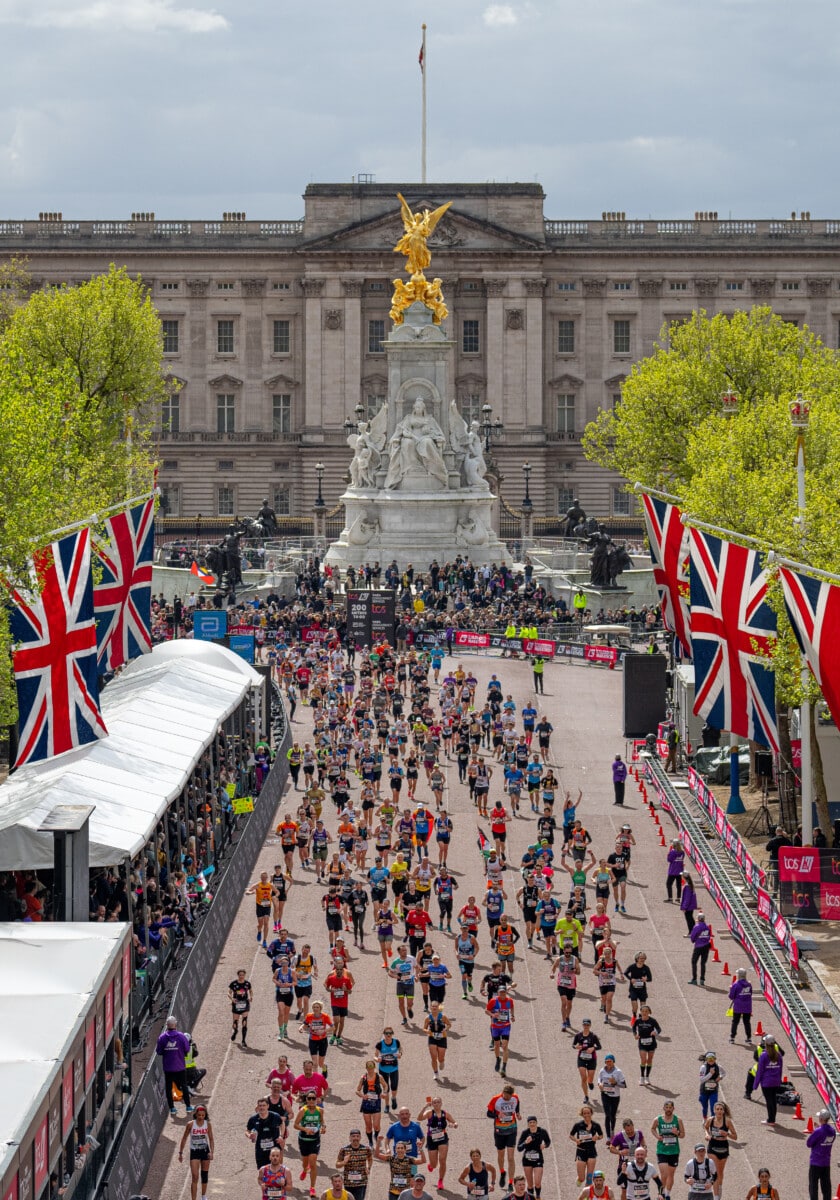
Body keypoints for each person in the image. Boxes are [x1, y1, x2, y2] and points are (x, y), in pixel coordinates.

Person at [156, 1015, 193, 1116]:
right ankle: (188, 1106)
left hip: (168, 1068)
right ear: (175, 1024)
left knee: (168, 1088)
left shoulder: (162, 1038)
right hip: (180, 1066)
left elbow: (159, 1051)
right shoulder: (181, 1036)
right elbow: (187, 1049)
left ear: (167, 1025)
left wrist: (167, 1051)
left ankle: (172, 1108)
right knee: (184, 1086)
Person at [418, 1096, 458, 1191]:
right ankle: (431, 1165)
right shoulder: (429, 1113)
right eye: (434, 1102)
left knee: (442, 1160)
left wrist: (454, 1124)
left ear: (441, 1103)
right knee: (434, 1165)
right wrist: (424, 1107)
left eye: (438, 1102)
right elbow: (419, 1118)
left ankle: (440, 1181)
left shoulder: (445, 1114)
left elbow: (454, 1122)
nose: (436, 1103)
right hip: (432, 1139)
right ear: (432, 1104)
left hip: (443, 1139)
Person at [486, 1084, 520, 1189]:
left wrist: (518, 1114)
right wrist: (497, 1115)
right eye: (505, 1096)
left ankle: (510, 1182)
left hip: (512, 1130)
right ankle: (502, 1172)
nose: (507, 1098)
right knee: (501, 1155)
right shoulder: (495, 1099)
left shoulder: (515, 1098)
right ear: (503, 1093)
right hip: (499, 1131)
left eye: (509, 1097)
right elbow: (488, 1113)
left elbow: (517, 1106)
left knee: (510, 1158)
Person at [178, 1104, 214, 1200]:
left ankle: (203, 1196)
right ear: (196, 1114)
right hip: (194, 1152)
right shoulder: (190, 1124)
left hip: (205, 1151)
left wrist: (212, 1152)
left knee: (204, 1175)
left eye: (203, 1115)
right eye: (199, 1115)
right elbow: (184, 1138)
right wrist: (180, 1153)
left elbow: (211, 1139)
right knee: (195, 1176)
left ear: (205, 1115)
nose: (201, 1117)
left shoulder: (208, 1124)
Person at [294, 1091, 326, 1197]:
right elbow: (295, 1125)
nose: (312, 1100)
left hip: (315, 1140)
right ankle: (304, 1169)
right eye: (309, 1098)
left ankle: (312, 1188)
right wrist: (305, 1129)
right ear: (306, 1100)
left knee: (313, 1163)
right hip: (304, 1139)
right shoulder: (303, 1111)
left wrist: (323, 1127)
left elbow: (322, 1122)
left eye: (313, 1098)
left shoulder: (320, 1110)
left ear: (316, 1099)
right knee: (305, 1163)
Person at [650, 1099, 684, 1200]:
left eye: (670, 1107)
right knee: (663, 1174)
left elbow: (683, 1135)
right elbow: (652, 1128)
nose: (668, 1109)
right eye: (667, 1107)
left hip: (674, 1150)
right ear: (663, 1108)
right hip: (662, 1150)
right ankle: (661, 1194)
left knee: (670, 1175)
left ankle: (668, 1194)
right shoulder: (657, 1119)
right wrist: (657, 1136)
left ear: (673, 1108)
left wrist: (677, 1133)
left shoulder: (678, 1120)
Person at [703, 1100, 736, 1199]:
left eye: (721, 1109)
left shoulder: (727, 1121)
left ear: (724, 1111)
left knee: (720, 1173)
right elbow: (705, 1127)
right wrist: (707, 1134)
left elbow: (735, 1136)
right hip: (712, 1146)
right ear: (714, 1110)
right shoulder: (710, 1120)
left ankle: (719, 1190)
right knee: (715, 1171)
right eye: (717, 1109)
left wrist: (727, 1134)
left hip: (723, 1148)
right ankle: (716, 1196)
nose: (719, 1111)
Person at [752, 1034, 785, 1125]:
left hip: (766, 1082)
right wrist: (779, 1081)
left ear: (765, 1043)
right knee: (773, 1100)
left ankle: (771, 1120)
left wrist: (755, 1085)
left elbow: (760, 1071)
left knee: (769, 1101)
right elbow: (780, 1069)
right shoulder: (778, 1055)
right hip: (775, 1082)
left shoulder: (764, 1055)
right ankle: (772, 1119)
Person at [568, 1103, 603, 1187]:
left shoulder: (596, 1125)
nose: (587, 1115)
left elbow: (601, 1135)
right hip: (581, 1151)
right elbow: (571, 1135)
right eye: (584, 1113)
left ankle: (586, 1195)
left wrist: (597, 1138)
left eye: (588, 1113)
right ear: (582, 1115)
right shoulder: (578, 1125)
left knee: (589, 1178)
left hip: (591, 1151)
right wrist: (576, 1140)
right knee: (582, 1178)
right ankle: (579, 1179)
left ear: (591, 1113)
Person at [516, 1115, 551, 1198]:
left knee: (538, 1182)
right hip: (527, 1160)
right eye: (530, 1122)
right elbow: (519, 1148)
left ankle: (538, 1196)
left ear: (536, 1123)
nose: (532, 1124)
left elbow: (548, 1141)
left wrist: (544, 1145)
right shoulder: (525, 1133)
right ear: (528, 1124)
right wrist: (525, 1142)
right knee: (530, 1184)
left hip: (538, 1159)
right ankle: (531, 1197)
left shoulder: (542, 1131)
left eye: (534, 1122)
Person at [247, 1096, 285, 1169]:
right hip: (261, 1150)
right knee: (262, 1171)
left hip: (274, 1149)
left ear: (268, 1106)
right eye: (260, 1106)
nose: (262, 1107)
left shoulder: (275, 1116)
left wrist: (281, 1136)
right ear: (257, 1107)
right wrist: (249, 1135)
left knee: (276, 1170)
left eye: (264, 1105)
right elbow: (247, 1130)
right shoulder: (253, 1119)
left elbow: (282, 1123)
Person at [356, 1061, 388, 1145]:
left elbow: (385, 1085)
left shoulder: (379, 1077)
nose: (370, 1070)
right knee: (368, 1126)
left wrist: (384, 1093)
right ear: (366, 1068)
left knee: (376, 1126)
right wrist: (362, 1096)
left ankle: (376, 1135)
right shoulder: (363, 1078)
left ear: (374, 1068)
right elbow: (357, 1090)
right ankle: (370, 1141)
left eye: (372, 1068)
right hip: (366, 1103)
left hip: (376, 1102)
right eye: (368, 1068)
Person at [807, 1109, 836, 1200]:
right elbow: (825, 1136)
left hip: (815, 1162)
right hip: (826, 1162)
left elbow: (809, 1143)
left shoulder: (818, 1131)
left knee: (813, 1186)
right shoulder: (832, 1131)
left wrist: (815, 1130)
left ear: (822, 1119)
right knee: (826, 1186)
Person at [337, 1129, 374, 1200]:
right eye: (353, 1136)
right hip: (348, 1182)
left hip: (361, 1182)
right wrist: (344, 1162)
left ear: (360, 1137)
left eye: (357, 1136)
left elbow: (370, 1158)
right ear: (350, 1138)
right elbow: (337, 1165)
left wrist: (368, 1167)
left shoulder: (366, 1149)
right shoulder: (344, 1150)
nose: (355, 1138)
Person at [596, 1054, 626, 1139]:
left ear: (613, 1062)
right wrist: (600, 1084)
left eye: (610, 1061)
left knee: (612, 1115)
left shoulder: (618, 1072)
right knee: (607, 1115)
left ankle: (612, 1129)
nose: (608, 1063)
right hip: (605, 1095)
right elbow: (599, 1079)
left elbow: (624, 1085)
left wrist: (615, 1083)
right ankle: (608, 1136)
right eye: (607, 1061)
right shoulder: (602, 1070)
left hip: (615, 1096)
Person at [573, 1017, 602, 1102]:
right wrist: (576, 1047)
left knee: (590, 1078)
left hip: (591, 1059)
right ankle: (586, 1096)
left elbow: (599, 1046)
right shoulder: (578, 1035)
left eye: (587, 1025)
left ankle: (590, 1082)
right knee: (583, 1078)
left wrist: (593, 1048)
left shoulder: (593, 1036)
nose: (586, 1026)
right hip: (581, 1058)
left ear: (590, 1026)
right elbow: (573, 1045)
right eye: (584, 1024)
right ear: (582, 1025)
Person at [423, 1000, 452, 1081]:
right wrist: (427, 1031)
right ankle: (436, 1073)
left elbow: (449, 1024)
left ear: (438, 1008)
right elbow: (424, 1028)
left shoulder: (443, 1017)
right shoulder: (428, 1018)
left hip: (442, 1038)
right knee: (433, 1057)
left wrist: (446, 1029)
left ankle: (442, 1062)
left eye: (436, 1006)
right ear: (430, 1007)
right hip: (432, 1038)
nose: (434, 1008)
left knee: (440, 1058)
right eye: (433, 1006)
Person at [375, 1026, 403, 1111]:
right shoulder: (380, 1044)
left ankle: (393, 1098)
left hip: (394, 1068)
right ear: (384, 1034)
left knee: (394, 1087)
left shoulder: (396, 1042)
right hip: (383, 1069)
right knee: (385, 1088)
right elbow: (375, 1055)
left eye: (390, 1033)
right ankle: (387, 1106)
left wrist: (400, 1054)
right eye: (386, 1033)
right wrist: (377, 1059)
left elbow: (401, 1049)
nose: (388, 1035)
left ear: (392, 1034)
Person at [633, 1005, 661, 1086]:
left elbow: (659, 1029)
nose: (644, 1013)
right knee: (643, 1059)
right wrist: (635, 1035)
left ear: (649, 1012)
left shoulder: (653, 1021)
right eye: (643, 1011)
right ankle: (642, 1077)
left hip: (651, 1043)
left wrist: (655, 1032)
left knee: (650, 1059)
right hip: (642, 1043)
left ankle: (647, 1077)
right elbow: (634, 1028)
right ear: (641, 1012)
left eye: (646, 1011)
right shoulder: (638, 1021)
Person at [727, 967, 753, 1043]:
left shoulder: (736, 984)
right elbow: (750, 993)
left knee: (735, 1022)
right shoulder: (749, 984)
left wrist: (730, 989)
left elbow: (731, 996)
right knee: (747, 1022)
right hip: (747, 1006)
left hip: (738, 1006)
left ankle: (732, 1037)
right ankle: (749, 1038)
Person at [698, 1052, 725, 1120]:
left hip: (713, 1091)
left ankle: (713, 1121)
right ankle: (705, 1119)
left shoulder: (718, 1067)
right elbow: (701, 1080)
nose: (711, 1061)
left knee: (713, 1107)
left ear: (715, 1059)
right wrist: (710, 1073)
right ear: (706, 1059)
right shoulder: (703, 1067)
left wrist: (720, 1077)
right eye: (709, 1059)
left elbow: (724, 1073)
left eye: (713, 1059)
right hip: (704, 1091)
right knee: (705, 1107)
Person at [228, 968, 252, 1046]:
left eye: (243, 975)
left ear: (245, 975)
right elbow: (229, 992)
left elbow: (251, 991)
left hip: (245, 1004)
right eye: (240, 975)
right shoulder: (233, 983)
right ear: (238, 975)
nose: (241, 976)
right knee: (235, 1022)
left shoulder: (247, 983)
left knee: (244, 1022)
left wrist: (251, 997)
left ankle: (243, 1040)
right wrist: (232, 999)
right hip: (236, 1004)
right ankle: (235, 1031)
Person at [688, 912, 712, 986]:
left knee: (694, 961)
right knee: (703, 963)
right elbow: (709, 935)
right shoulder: (707, 927)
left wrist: (694, 940)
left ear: (698, 919)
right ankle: (702, 979)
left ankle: (694, 979)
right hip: (706, 946)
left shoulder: (697, 926)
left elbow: (693, 936)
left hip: (698, 946)